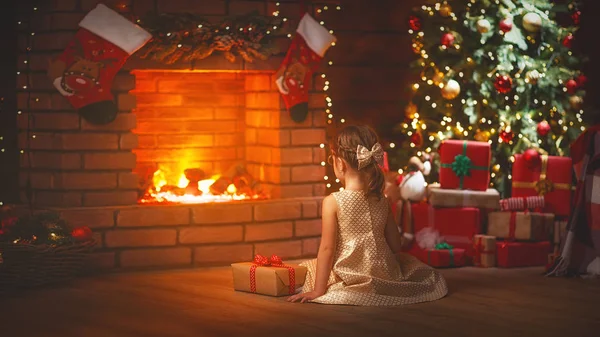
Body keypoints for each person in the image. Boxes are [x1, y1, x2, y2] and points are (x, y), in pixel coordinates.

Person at [288, 125, 448, 305]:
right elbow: (396, 245)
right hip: (385, 271)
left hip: (349, 271)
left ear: (340, 163)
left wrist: (318, 290)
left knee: (311, 267)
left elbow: (327, 249)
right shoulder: (383, 200)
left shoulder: (332, 202)